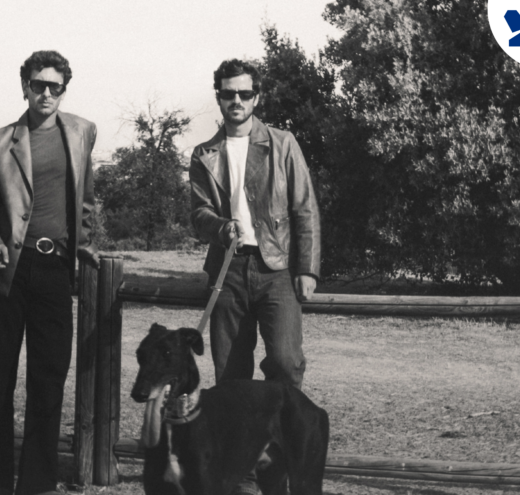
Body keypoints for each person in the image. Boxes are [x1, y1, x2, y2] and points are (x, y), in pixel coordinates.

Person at [0, 50, 99, 495]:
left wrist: (84, 246)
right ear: (24, 86)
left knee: (48, 381)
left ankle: (38, 484)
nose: (46, 93)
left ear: (64, 90)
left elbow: (85, 200)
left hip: (55, 270)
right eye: (38, 84)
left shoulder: (82, 132)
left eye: (54, 86)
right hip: (7, 272)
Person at [189, 58, 321, 494]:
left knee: (285, 363)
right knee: (231, 378)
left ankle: (277, 467)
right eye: (229, 93)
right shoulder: (204, 154)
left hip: (277, 270)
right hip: (227, 272)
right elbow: (198, 214)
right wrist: (219, 226)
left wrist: (307, 268)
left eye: (245, 93)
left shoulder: (282, 144)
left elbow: (304, 208)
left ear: (257, 97)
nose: (237, 101)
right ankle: (239, 480)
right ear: (219, 98)